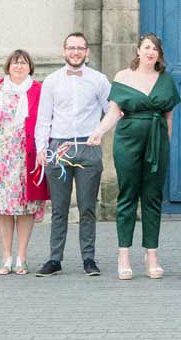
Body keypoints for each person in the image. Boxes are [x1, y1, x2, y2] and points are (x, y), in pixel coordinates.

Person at [89, 32, 181, 280]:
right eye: (147, 47)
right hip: (128, 140)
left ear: (159, 55)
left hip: (157, 141)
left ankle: (152, 254)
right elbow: (113, 112)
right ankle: (124, 254)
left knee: (152, 196)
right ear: (138, 51)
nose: (151, 52)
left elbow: (168, 118)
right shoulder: (123, 77)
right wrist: (99, 131)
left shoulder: (166, 80)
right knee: (127, 195)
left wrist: (164, 146)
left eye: (155, 49)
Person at [34, 30, 111, 277]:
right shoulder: (52, 81)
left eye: (80, 48)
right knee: (59, 207)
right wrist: (40, 148)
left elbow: (113, 110)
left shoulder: (99, 80)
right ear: (64, 51)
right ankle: (55, 258)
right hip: (59, 148)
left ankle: (89, 258)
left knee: (88, 207)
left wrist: (100, 131)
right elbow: (44, 117)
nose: (76, 52)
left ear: (86, 52)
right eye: (71, 48)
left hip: (88, 147)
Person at [0, 49, 48, 274]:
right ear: (8, 67)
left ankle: (21, 257)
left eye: (23, 63)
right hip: (1, 158)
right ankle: (6, 256)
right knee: (4, 209)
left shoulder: (40, 90)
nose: (18, 66)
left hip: (27, 157)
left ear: (30, 67)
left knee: (26, 208)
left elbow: (45, 121)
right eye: (15, 63)